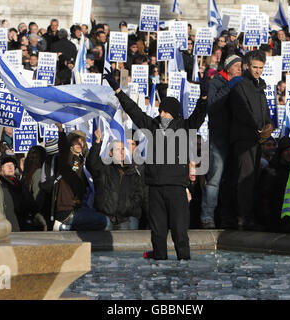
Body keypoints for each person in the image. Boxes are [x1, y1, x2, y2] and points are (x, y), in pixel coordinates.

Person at [103, 67, 208, 260]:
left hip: (176, 188)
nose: (162, 114)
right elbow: (133, 110)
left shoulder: (185, 127)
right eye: (161, 110)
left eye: (166, 111)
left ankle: (183, 265)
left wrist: (204, 97)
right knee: (158, 233)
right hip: (155, 188)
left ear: (174, 113)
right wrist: (118, 91)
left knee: (179, 232)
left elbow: (200, 114)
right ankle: (160, 264)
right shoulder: (152, 125)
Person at [227, 50, 273, 231]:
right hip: (244, 138)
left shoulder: (260, 86)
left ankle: (248, 215)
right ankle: (243, 217)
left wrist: (268, 124)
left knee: (251, 179)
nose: (258, 71)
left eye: (261, 68)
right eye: (255, 67)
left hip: (257, 139)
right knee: (244, 179)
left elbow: (265, 110)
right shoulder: (240, 85)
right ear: (248, 65)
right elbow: (241, 110)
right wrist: (258, 127)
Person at [201, 54, 242, 229]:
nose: (240, 68)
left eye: (241, 65)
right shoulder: (216, 82)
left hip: (235, 138)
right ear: (228, 67)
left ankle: (228, 217)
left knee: (232, 180)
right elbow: (212, 104)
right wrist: (230, 86)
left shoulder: (242, 82)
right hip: (218, 138)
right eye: (237, 65)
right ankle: (207, 216)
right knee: (214, 179)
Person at [86, 126, 144, 230]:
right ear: (110, 152)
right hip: (105, 218)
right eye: (117, 149)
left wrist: (127, 208)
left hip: (126, 218)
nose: (121, 152)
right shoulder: (103, 168)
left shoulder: (133, 172)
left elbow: (139, 195)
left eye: (123, 149)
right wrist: (98, 142)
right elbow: (92, 163)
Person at [0, 156, 47, 231]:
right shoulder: (0, 185)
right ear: (1, 168)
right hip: (9, 224)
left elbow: (29, 201)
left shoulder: (19, 183)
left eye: (12, 165)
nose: (11, 168)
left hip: (22, 223)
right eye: (7, 166)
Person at [260, 136, 290, 232]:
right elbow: (265, 199)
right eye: (286, 150)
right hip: (276, 222)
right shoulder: (271, 172)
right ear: (281, 152)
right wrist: (269, 222)